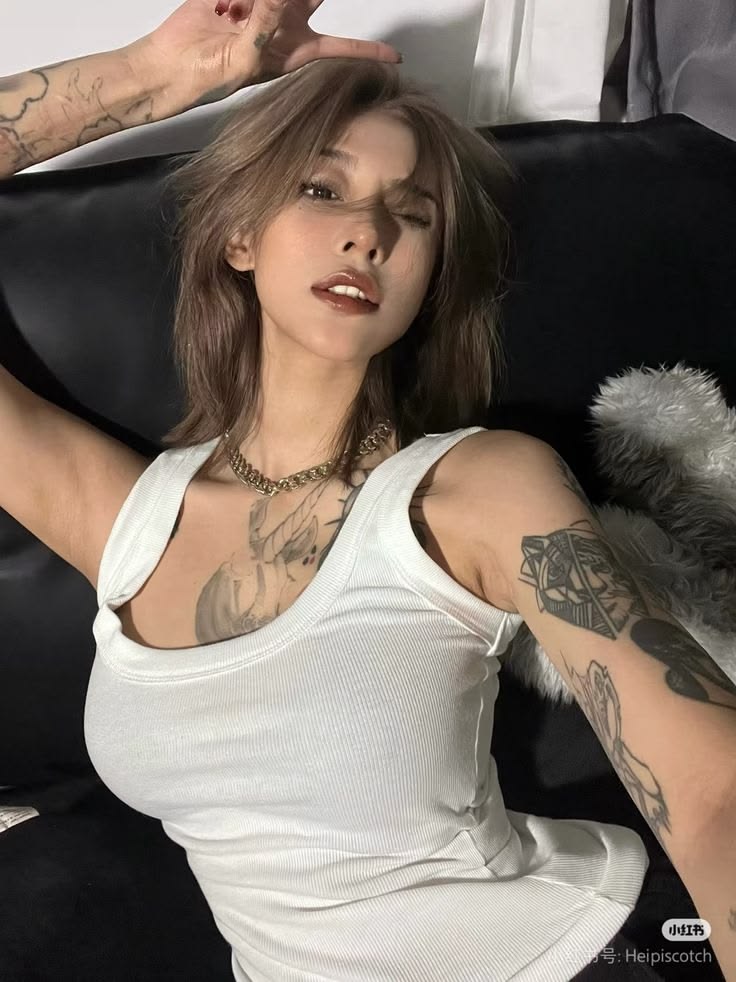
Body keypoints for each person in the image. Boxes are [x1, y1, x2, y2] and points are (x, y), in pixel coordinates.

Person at [1, 2, 734, 980]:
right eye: (322, 189)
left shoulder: (476, 488)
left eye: (413, 212)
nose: (368, 233)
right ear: (240, 237)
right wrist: (156, 76)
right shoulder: (125, 520)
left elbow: (710, 788)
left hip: (570, 955)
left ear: (429, 277)